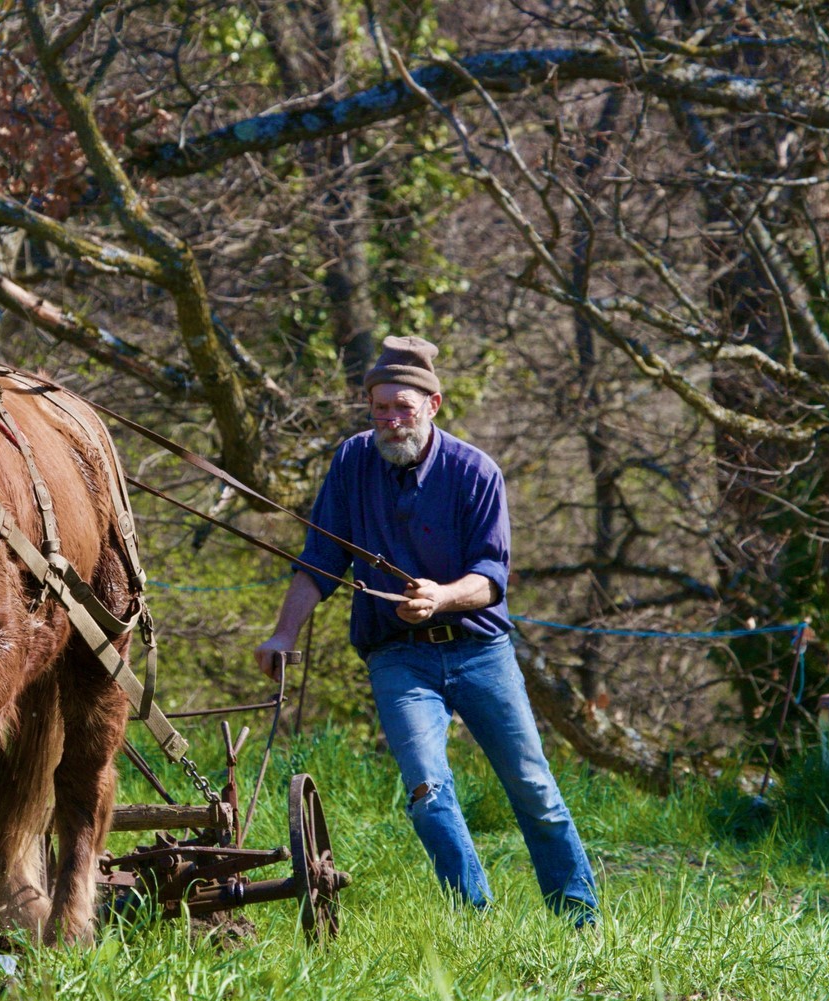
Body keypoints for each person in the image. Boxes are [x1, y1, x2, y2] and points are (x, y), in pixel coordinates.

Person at [254, 334, 598, 924]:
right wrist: (283, 634)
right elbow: (320, 561)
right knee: (427, 793)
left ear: (432, 406)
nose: (390, 421)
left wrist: (441, 597)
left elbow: (491, 578)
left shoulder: (476, 473)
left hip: (479, 650)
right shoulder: (351, 463)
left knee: (534, 790)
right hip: (397, 657)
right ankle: (475, 920)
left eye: (402, 408)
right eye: (380, 408)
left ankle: (578, 919)